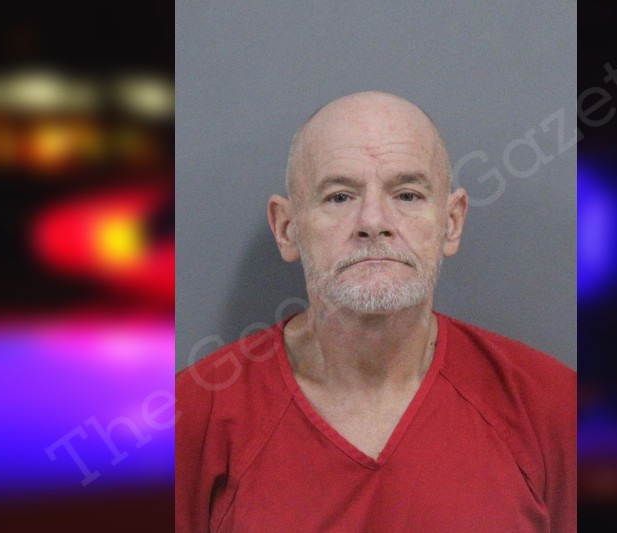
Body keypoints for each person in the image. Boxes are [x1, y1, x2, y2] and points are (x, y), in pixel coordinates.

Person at [176, 91, 575, 532]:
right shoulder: (193, 417)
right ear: (286, 228)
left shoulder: (552, 408)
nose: (373, 221)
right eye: (339, 197)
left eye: (407, 194)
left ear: (452, 222)